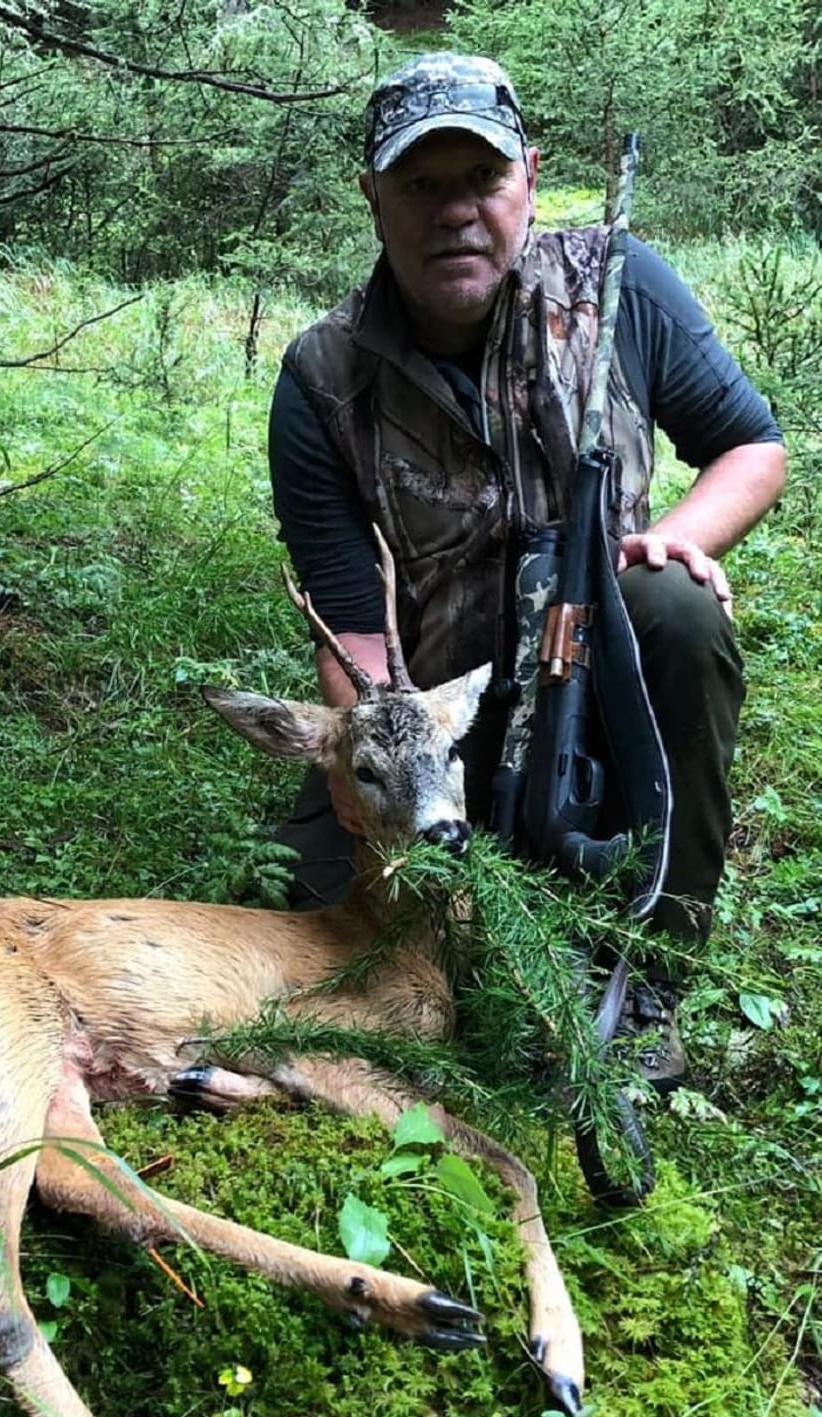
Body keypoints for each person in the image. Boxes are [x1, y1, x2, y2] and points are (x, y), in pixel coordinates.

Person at [267, 52, 786, 1089]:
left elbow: (752, 446)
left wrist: (677, 534)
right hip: (441, 723)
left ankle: (644, 982)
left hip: (601, 681)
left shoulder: (620, 286)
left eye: (481, 180)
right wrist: (382, 765)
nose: (453, 211)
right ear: (373, 198)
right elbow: (351, 629)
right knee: (325, 949)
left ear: (529, 180)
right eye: (421, 184)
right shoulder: (321, 377)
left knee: (676, 609)